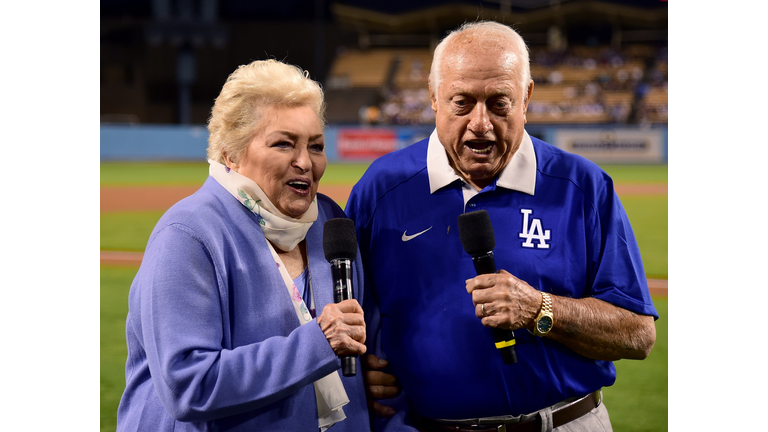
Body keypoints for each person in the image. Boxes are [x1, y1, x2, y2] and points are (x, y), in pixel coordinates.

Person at [345, 21, 658, 432]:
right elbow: (342, 309)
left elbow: (637, 333)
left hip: (564, 422)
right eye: (462, 102)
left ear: (525, 98)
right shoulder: (380, 189)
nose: (480, 123)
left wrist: (540, 309)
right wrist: (354, 373)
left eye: (499, 102)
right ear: (434, 98)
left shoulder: (583, 187)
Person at [116, 59, 370, 432]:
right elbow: (189, 385)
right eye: (284, 144)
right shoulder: (187, 236)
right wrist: (316, 343)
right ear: (230, 155)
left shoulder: (330, 222)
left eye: (315, 146)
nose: (305, 162)